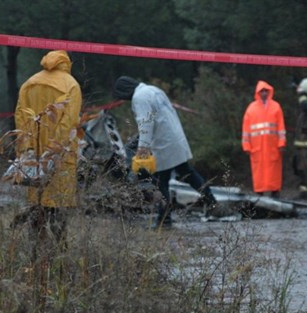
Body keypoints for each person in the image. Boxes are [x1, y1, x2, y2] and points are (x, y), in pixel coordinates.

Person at [112, 76, 219, 227]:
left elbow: (146, 123)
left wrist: (142, 148)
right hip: (174, 137)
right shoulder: (153, 90)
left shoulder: (139, 98)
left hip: (163, 143)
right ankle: (212, 201)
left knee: (160, 182)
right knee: (187, 172)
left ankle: (164, 220)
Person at [14, 50, 82, 254]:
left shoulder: (30, 83)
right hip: (60, 157)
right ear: (66, 63)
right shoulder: (71, 85)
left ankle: (35, 253)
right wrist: (54, 151)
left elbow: (20, 117)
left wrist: (27, 148)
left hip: (34, 157)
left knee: (37, 205)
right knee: (59, 207)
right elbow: (68, 122)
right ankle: (61, 253)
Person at [242, 80, 287, 198]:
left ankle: (275, 192)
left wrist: (281, 143)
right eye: (261, 91)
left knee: (274, 171)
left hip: (273, 147)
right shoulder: (251, 109)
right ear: (258, 93)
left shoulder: (276, 107)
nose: (264, 93)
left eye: (266, 91)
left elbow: (281, 128)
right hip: (257, 148)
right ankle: (259, 193)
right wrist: (246, 146)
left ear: (269, 92)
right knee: (259, 172)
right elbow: (246, 130)